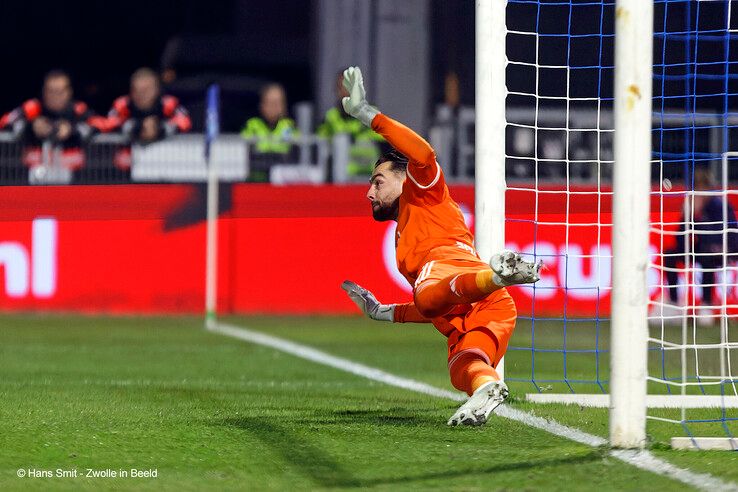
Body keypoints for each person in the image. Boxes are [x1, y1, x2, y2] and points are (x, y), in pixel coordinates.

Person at [338, 67, 542, 426]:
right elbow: (432, 305)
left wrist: (366, 114)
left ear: (405, 180)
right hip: (486, 303)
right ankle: (487, 390)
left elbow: (422, 152)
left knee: (427, 292)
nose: (369, 192)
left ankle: (499, 276)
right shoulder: (404, 239)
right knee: (464, 366)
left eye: (378, 182)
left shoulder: (426, 193)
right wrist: (382, 312)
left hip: (458, 270)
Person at [662, 167, 738, 325]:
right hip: (702, 247)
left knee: (705, 256)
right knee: (670, 254)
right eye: (696, 187)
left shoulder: (719, 205)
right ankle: (674, 302)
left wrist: (725, 246)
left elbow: (732, 232)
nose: (699, 190)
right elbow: (681, 240)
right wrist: (688, 216)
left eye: (702, 187)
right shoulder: (692, 205)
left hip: (723, 249)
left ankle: (706, 304)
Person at [0, 70, 97, 170]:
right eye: (51, 91)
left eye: (60, 91)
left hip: (76, 178)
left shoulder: (78, 109)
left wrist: (72, 129)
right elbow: (5, 122)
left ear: (69, 92)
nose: (55, 96)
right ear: (44, 91)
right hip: (32, 178)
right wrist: (31, 126)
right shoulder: (32, 108)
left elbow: (100, 124)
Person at [317, 70, 385, 178]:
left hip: (370, 178)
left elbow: (386, 148)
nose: (345, 91)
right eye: (341, 87)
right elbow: (320, 150)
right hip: (342, 180)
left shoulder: (372, 114)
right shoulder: (330, 117)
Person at [101, 68, 192, 144]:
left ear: (157, 90)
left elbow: (185, 122)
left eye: (146, 90)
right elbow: (108, 123)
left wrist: (159, 128)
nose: (141, 94)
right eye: (136, 90)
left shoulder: (169, 103)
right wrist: (136, 127)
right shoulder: (122, 104)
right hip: (126, 159)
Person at [240, 83, 298, 182]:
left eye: (278, 102)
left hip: (282, 183)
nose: (275, 107)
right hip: (256, 181)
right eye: (271, 103)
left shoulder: (290, 126)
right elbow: (242, 152)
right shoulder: (252, 125)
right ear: (262, 105)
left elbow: (297, 155)